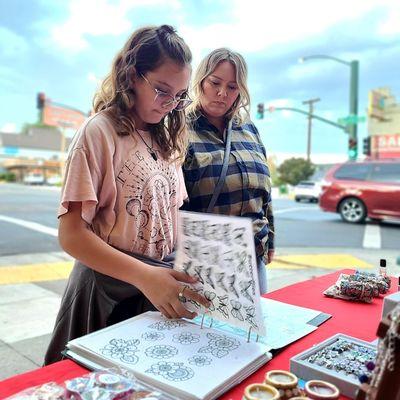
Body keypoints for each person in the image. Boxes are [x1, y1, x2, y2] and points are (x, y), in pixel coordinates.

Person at [44, 25, 209, 365]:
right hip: (108, 289)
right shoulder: (100, 131)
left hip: (157, 288)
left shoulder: (167, 140)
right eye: (162, 91)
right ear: (133, 76)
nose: (171, 105)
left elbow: (170, 219)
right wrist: (143, 274)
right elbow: (72, 234)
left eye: (180, 96)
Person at [182, 48, 275, 294]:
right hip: (206, 262)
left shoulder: (249, 129)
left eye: (232, 87)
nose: (222, 93)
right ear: (200, 81)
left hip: (252, 258)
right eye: (215, 83)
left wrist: (270, 239)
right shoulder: (178, 130)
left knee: (255, 332)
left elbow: (265, 193)